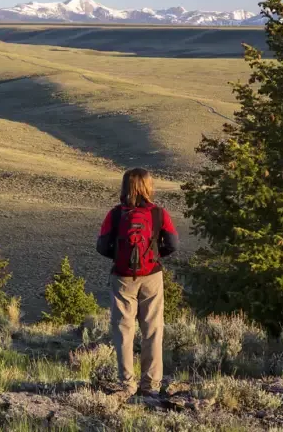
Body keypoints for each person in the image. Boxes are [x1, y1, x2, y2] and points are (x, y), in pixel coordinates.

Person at [96, 168, 178, 398]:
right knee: (152, 329)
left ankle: (127, 384)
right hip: (152, 276)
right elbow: (173, 243)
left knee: (124, 329)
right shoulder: (159, 213)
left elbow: (101, 246)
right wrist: (153, 256)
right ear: (148, 186)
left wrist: (120, 257)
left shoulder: (115, 214)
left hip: (122, 277)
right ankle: (150, 385)